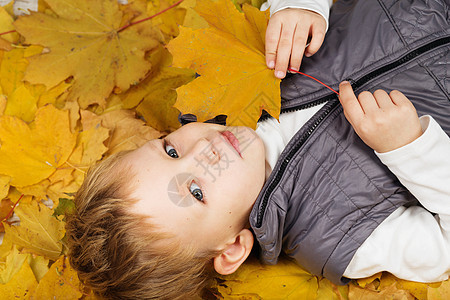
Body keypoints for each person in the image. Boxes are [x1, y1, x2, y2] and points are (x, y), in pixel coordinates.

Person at [66, 0, 450, 299]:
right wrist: (411, 148)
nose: (203, 150)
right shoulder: (337, 238)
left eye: (169, 150)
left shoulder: (221, 82)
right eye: (196, 192)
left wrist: (299, 7)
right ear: (232, 249)